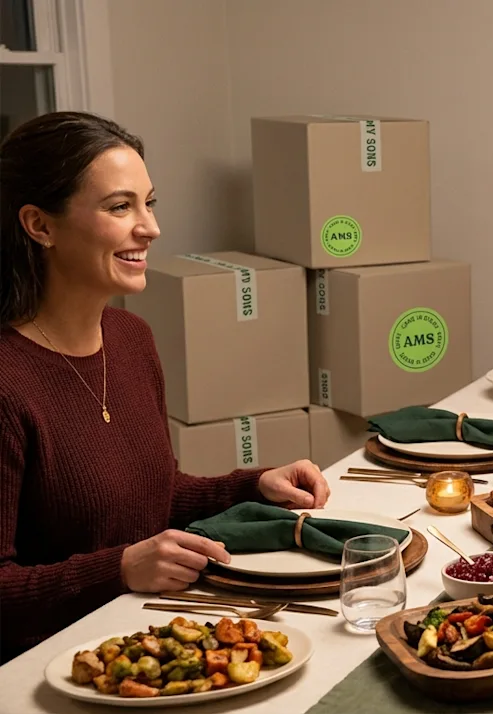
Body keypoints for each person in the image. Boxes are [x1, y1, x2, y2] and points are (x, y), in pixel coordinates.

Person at [0, 112, 332, 663]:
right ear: (40, 226)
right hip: (45, 674)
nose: (149, 228)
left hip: (144, 642)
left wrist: (251, 487)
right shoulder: (8, 384)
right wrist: (121, 568)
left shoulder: (130, 338)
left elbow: (145, 497)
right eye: (119, 206)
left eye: (149, 203)